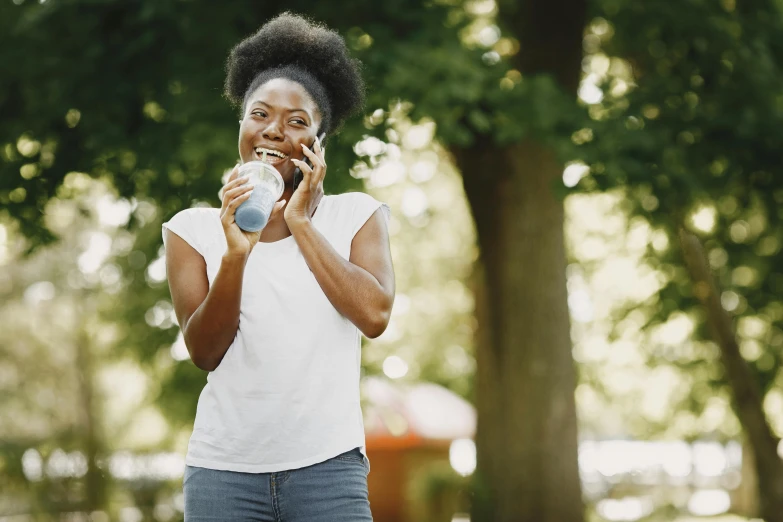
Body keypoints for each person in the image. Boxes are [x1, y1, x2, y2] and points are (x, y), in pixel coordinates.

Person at [162, 13, 394, 521]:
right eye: (259, 114)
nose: (274, 131)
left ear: (319, 142)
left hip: (329, 470)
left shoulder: (356, 215)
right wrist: (236, 255)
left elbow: (374, 316)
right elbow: (204, 351)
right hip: (223, 473)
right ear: (241, 125)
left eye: (296, 122)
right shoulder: (191, 230)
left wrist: (301, 223)